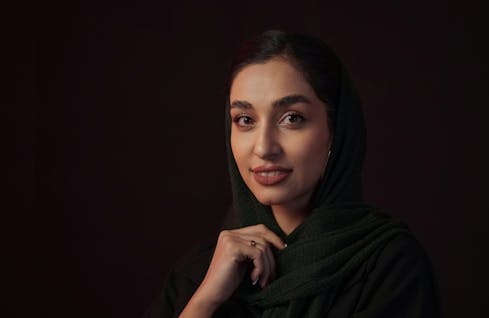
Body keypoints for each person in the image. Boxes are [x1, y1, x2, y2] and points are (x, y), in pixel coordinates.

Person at [143, 30, 441, 317]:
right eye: (245, 119)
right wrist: (206, 301)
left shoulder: (387, 267)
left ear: (336, 132)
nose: (263, 147)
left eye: (292, 118)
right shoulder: (199, 274)